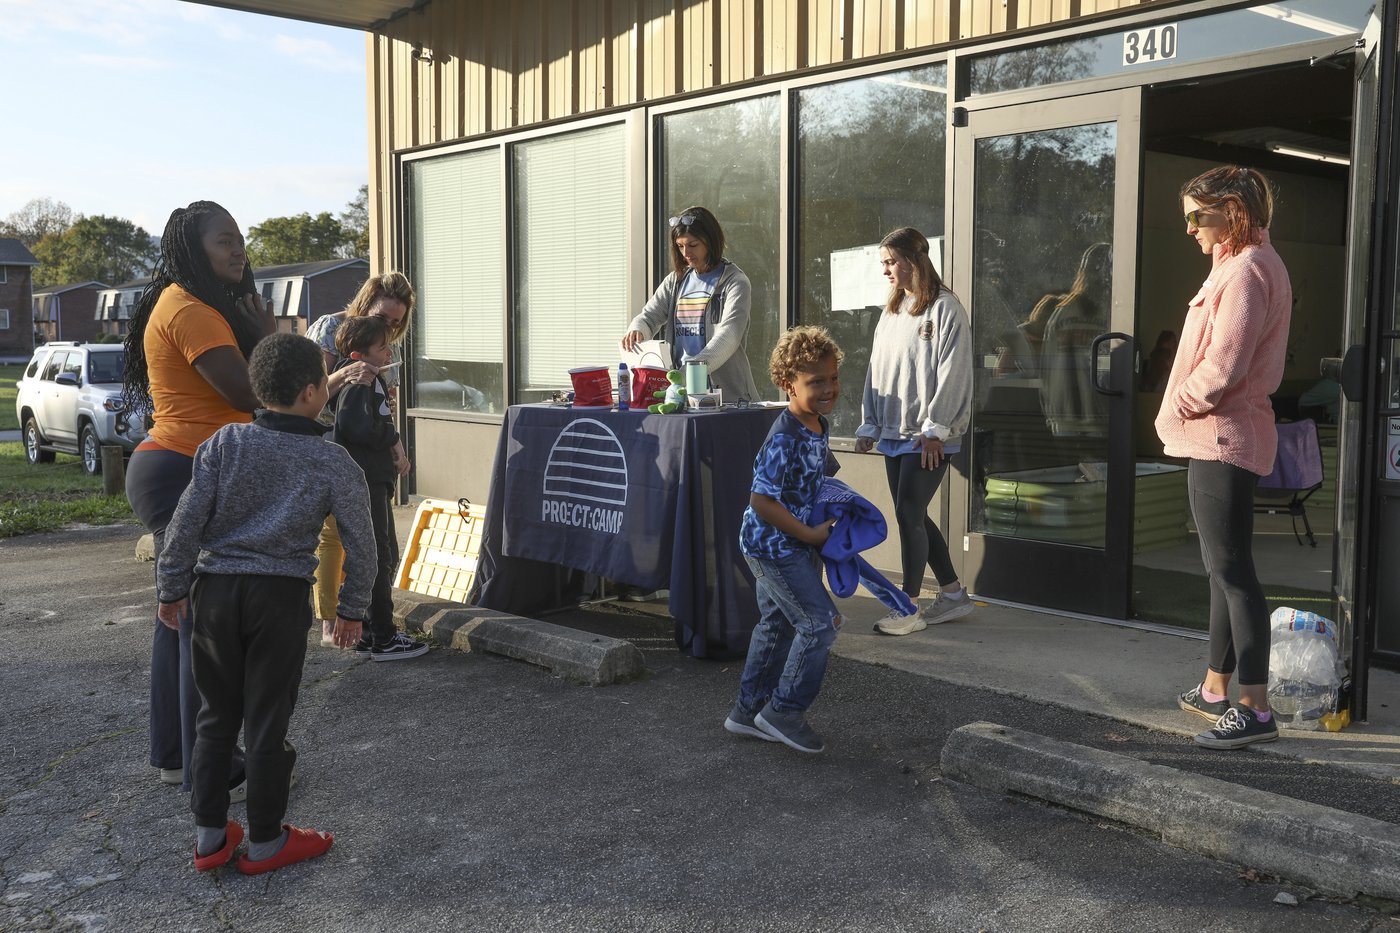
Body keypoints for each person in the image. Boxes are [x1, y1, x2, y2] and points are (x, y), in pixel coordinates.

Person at [155, 333, 377, 873]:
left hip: (214, 592)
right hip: (278, 599)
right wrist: (352, 608)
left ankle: (210, 837)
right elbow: (363, 545)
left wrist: (172, 585)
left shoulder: (225, 443)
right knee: (267, 722)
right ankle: (267, 839)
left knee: (215, 717)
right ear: (311, 393)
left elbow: (186, 521)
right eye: (325, 381)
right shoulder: (333, 462)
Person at [122, 201, 273, 795]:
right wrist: (265, 338)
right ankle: (206, 766)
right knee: (201, 622)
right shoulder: (190, 308)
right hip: (184, 469)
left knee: (178, 615)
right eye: (222, 241)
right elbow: (247, 393)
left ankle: (176, 754)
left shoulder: (195, 304)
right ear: (193, 249)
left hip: (181, 466)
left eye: (240, 239)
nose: (237, 250)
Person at [1159, 165, 1292, 750]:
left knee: (1234, 575)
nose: (1189, 230)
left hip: (1221, 436)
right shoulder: (1242, 265)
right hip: (1222, 435)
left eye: (1196, 216)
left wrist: (1180, 405)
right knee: (1222, 570)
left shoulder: (1245, 272)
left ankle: (1254, 707)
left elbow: (1225, 365)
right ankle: (1215, 689)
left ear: (1231, 209)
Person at [723, 325, 844, 754]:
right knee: (819, 624)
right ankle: (783, 712)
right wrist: (810, 533)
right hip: (774, 547)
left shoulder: (817, 423)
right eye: (816, 382)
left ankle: (746, 712)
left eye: (832, 378)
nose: (829, 388)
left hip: (791, 545)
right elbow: (761, 500)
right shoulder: (784, 437)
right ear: (788, 385)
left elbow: (821, 476)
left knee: (777, 623)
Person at [854, 227, 974, 636]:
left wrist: (936, 429)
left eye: (891, 261)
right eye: (883, 263)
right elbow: (877, 371)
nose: (885, 270)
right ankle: (954, 595)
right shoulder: (891, 312)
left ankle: (907, 607)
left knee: (908, 512)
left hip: (928, 437)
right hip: (893, 433)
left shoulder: (945, 310)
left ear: (914, 260)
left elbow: (954, 372)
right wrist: (870, 423)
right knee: (914, 513)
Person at [305, 272, 415, 648]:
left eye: (397, 324)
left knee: (371, 542)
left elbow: (385, 405)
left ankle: (357, 625)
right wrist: (345, 374)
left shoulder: (387, 347)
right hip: (325, 440)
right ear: (364, 304)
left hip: (370, 454)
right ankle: (332, 622)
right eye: (384, 318)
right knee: (336, 536)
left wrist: (394, 442)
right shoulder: (330, 329)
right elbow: (308, 393)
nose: (389, 328)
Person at [330, 315, 429, 661]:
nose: (388, 353)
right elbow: (355, 426)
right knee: (379, 554)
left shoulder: (367, 378)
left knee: (372, 553)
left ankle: (368, 632)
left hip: (369, 478)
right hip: (366, 478)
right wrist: (390, 436)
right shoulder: (360, 380)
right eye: (381, 347)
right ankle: (384, 636)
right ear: (359, 355)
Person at [620, 206, 760, 403]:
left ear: (711, 241)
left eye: (693, 245)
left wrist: (690, 371)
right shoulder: (675, 281)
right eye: (680, 246)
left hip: (729, 399)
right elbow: (649, 316)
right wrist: (638, 329)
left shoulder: (735, 282)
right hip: (682, 395)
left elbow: (729, 336)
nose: (686, 252)